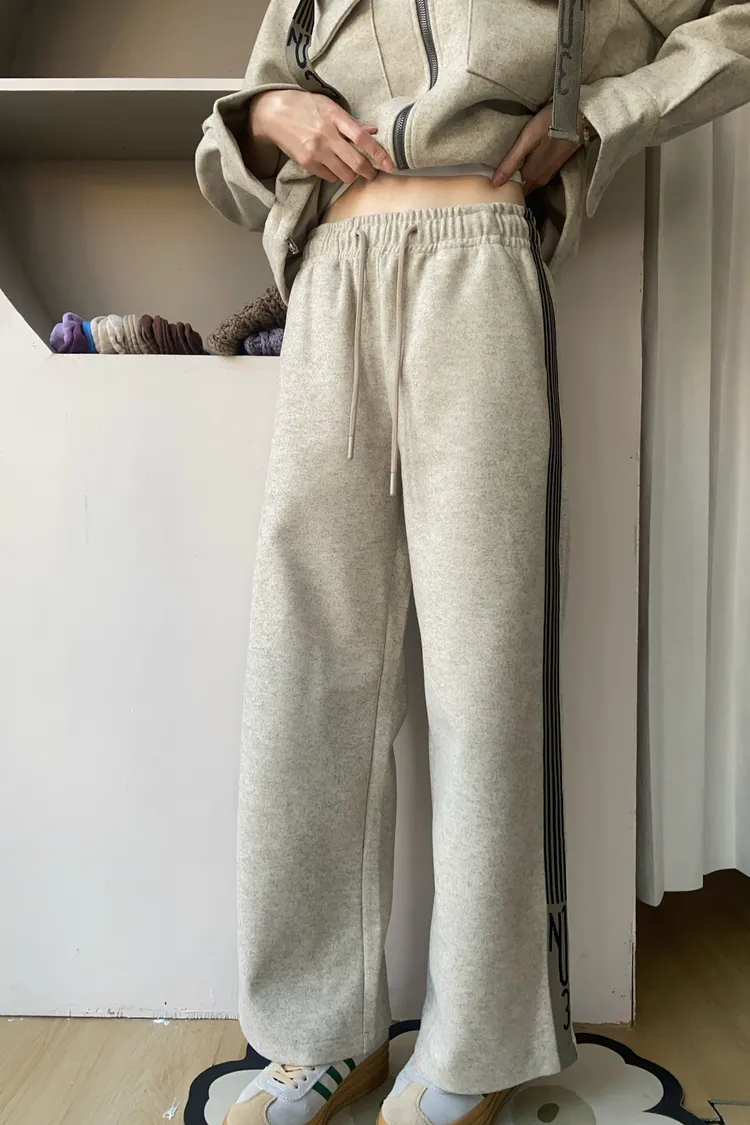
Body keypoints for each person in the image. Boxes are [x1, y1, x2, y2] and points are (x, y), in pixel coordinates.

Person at [196, 2, 750, 1124]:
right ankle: (315, 1033)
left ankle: (477, 1041)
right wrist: (268, 117)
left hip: (478, 263)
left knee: (484, 673)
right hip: (332, 281)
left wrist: (603, 114)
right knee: (305, 674)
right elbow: (235, 147)